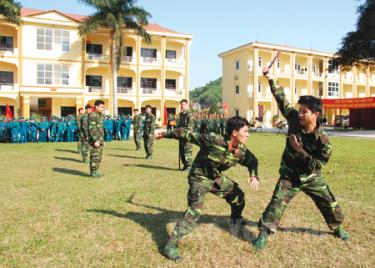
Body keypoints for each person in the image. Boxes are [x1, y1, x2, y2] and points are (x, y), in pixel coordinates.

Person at [253, 68, 349, 250]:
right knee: (276, 204)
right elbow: (281, 99)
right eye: (300, 110)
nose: (300, 114)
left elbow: (316, 165)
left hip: (311, 177)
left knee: (328, 203)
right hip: (290, 175)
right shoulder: (294, 120)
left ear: (315, 115)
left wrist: (299, 150)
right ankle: (264, 233)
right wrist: (270, 78)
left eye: (304, 111)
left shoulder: (324, 141)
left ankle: (337, 227)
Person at [155, 116, 259, 262]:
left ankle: (235, 220)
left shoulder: (241, 150)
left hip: (215, 178)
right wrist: (164, 134)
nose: (248, 134)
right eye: (245, 131)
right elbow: (185, 133)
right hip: (199, 177)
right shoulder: (213, 139)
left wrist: (254, 175)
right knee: (194, 212)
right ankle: (170, 246)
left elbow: (252, 161)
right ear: (235, 133)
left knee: (238, 196)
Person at [88, 100, 105, 177]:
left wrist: (102, 140)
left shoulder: (100, 115)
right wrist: (95, 140)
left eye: (103, 107)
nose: (103, 108)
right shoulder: (93, 115)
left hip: (100, 139)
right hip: (95, 140)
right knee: (94, 156)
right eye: (101, 107)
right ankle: (93, 172)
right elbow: (92, 128)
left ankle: (96, 170)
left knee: (99, 156)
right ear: (96, 106)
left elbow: (100, 129)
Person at [177, 99, 194, 171]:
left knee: (187, 151)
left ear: (187, 105)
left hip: (187, 136)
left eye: (183, 104)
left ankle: (189, 166)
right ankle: (185, 165)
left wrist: (185, 135)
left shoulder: (189, 114)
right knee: (182, 152)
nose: (182, 105)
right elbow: (179, 125)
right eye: (181, 104)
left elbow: (190, 127)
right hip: (181, 135)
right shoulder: (181, 114)